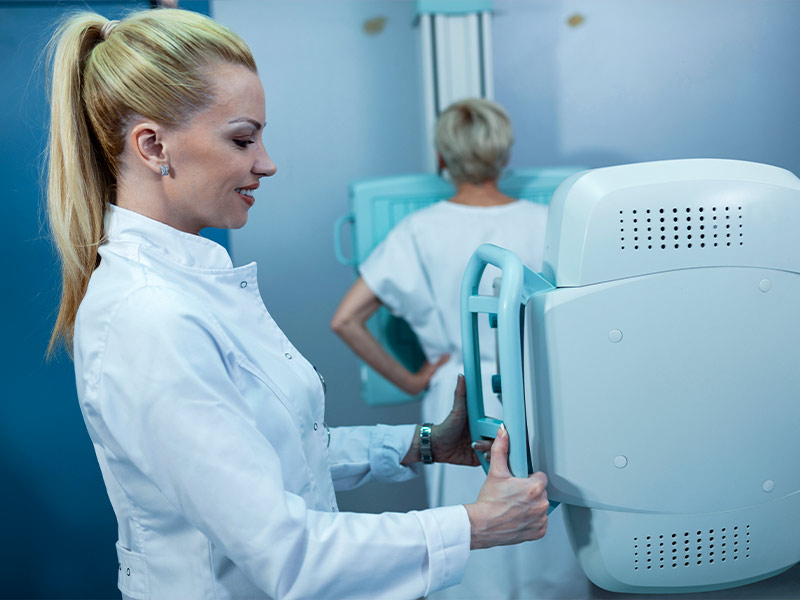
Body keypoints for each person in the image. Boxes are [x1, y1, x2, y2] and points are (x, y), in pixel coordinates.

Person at [45, 9, 552, 600]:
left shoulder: (189, 288)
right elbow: (285, 555)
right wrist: (474, 525)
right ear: (154, 145)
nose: (266, 161)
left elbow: (281, 452)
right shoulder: (149, 316)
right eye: (242, 138)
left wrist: (425, 443)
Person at [332, 98, 591, 599]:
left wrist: (412, 380)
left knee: (472, 537)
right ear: (503, 153)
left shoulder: (418, 230)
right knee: (547, 523)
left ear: (442, 158)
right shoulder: (551, 223)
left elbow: (346, 319)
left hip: (460, 396)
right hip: (542, 394)